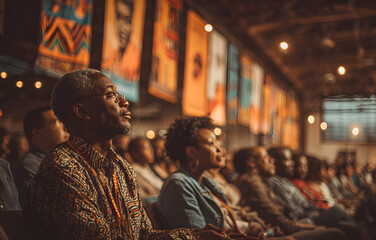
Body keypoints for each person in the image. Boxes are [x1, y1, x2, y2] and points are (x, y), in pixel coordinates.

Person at [26, 69, 232, 240]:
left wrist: (196, 236)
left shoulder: (120, 166)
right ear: (82, 112)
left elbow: (144, 235)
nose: (124, 102)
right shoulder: (63, 167)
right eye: (111, 96)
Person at [233, 146, 347, 240]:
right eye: (266, 157)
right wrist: (310, 227)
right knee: (336, 232)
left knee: (339, 223)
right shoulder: (251, 181)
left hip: (278, 228)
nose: (271, 160)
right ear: (251, 163)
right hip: (279, 232)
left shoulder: (257, 181)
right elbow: (277, 217)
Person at [267, 147, 361, 240]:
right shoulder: (274, 183)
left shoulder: (286, 181)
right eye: (287, 160)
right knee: (338, 211)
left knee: (350, 226)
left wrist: (320, 211)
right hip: (306, 220)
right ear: (275, 163)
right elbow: (295, 212)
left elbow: (306, 204)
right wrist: (318, 213)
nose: (292, 163)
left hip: (312, 214)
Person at [12, 106, 69, 206]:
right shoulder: (28, 167)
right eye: (57, 122)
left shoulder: (61, 161)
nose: (65, 127)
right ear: (38, 133)